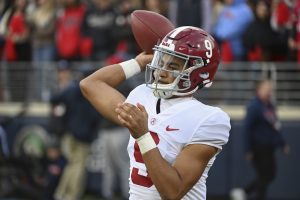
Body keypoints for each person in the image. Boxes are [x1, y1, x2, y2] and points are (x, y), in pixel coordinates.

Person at [80, 26, 231, 199]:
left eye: (172, 66)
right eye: (161, 62)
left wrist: (143, 136)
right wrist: (137, 63)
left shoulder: (209, 119)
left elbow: (173, 192)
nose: (161, 72)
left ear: (198, 73)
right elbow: (90, 84)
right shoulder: (143, 94)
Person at [50, 65, 102, 200]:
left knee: (72, 164)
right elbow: (96, 117)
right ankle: (70, 196)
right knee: (77, 167)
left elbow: (54, 99)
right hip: (81, 137)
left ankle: (61, 194)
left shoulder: (73, 89)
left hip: (70, 134)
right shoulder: (93, 92)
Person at [242, 79, 290, 200]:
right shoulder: (254, 106)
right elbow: (247, 129)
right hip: (258, 147)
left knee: (269, 175)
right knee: (265, 175)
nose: (269, 92)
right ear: (259, 90)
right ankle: (247, 193)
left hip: (269, 147)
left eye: (270, 89)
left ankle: (245, 192)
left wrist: (282, 143)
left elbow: (276, 126)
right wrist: (248, 149)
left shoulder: (270, 106)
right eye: (266, 89)